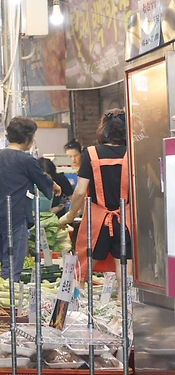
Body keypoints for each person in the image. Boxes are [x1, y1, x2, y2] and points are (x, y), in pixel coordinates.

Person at [59, 110, 131, 281]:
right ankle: (124, 306)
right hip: (126, 220)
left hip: (97, 221)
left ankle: (77, 307)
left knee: (81, 271)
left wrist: (70, 215)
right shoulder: (132, 153)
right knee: (125, 271)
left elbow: (80, 190)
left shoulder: (91, 153)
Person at [0, 117, 57, 280]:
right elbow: (42, 180)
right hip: (15, 216)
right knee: (12, 266)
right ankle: (8, 300)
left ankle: (1, 296)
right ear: (28, 137)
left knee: (5, 260)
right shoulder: (26, 159)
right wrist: (54, 186)